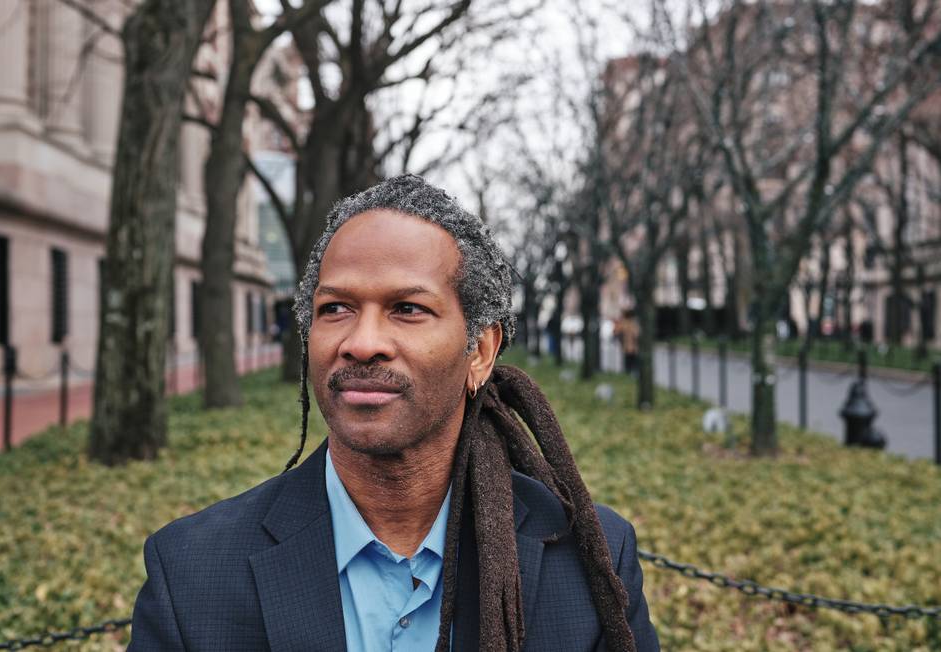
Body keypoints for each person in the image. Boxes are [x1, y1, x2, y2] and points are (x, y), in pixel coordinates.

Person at [128, 175, 659, 652]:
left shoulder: (590, 562)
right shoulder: (192, 573)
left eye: (408, 309)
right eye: (335, 308)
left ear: (480, 351)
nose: (362, 343)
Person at [614, 310, 639, 375]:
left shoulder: (625, 323)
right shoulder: (632, 323)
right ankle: (631, 372)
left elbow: (616, 332)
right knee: (631, 361)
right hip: (632, 346)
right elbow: (636, 334)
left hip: (629, 346)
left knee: (629, 361)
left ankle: (629, 372)